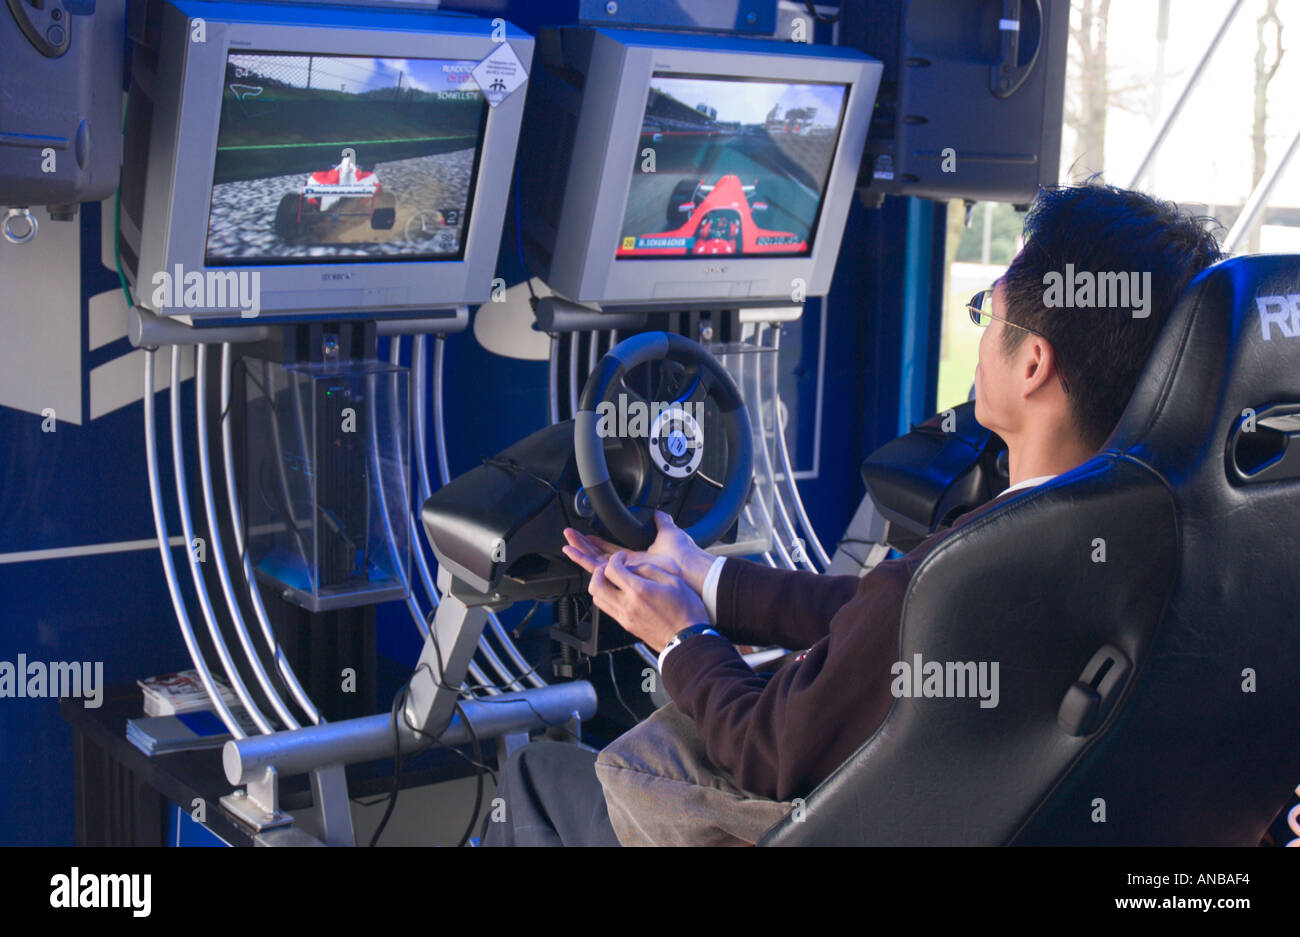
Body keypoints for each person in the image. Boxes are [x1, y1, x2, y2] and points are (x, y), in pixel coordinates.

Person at [481, 181, 1223, 847]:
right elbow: (885, 616)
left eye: (985, 313)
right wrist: (707, 579)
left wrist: (681, 639)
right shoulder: (1184, 552)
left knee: (543, 776)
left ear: (1033, 364)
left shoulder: (961, 575)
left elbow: (768, 748)